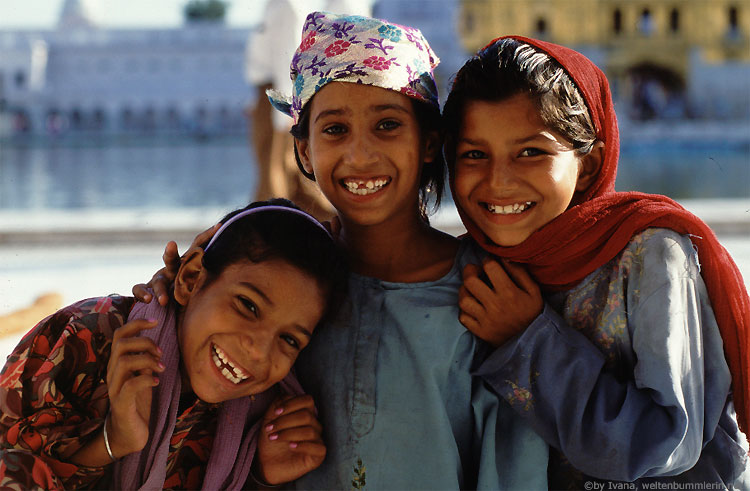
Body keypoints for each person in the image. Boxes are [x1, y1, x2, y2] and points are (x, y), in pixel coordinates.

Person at [137, 12, 549, 489]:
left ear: (430, 141)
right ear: (305, 152)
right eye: (334, 130)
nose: (359, 155)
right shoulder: (281, 289)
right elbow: (208, 431)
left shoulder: (488, 296)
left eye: (387, 125)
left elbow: (514, 462)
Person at [442, 36, 750, 488]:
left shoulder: (648, 256)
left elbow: (666, 443)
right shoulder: (475, 265)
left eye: (531, 152)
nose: (498, 181)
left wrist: (527, 340)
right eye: (474, 155)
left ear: (587, 166)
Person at [0, 199, 347, 490]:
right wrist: (113, 441)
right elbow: (11, 467)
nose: (258, 351)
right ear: (191, 277)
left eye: (288, 339)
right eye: (248, 305)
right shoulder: (89, 336)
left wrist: (259, 473)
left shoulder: (260, 411)